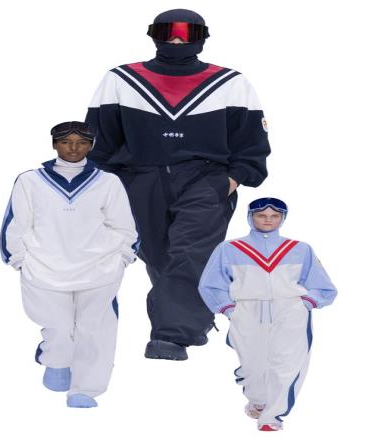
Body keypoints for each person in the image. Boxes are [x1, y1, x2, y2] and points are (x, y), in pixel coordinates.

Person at [85, 9, 271, 361]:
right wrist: (99, 188)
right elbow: (100, 143)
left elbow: (252, 146)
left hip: (206, 179)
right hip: (137, 180)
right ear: (153, 34)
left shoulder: (230, 83)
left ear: (203, 37)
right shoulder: (121, 79)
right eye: (169, 31)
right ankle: (196, 318)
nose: (177, 39)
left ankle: (170, 336)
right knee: (158, 256)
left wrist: (230, 181)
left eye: (188, 33)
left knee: (191, 252)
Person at [0, 121, 138, 408]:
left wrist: (122, 257)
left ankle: (85, 390)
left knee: (94, 330)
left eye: (81, 142)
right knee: (60, 328)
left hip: (99, 269)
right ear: (54, 144)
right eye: (65, 142)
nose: (73, 148)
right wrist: (19, 260)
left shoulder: (108, 182)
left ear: (91, 146)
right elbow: (16, 224)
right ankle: (56, 359)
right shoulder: (30, 181)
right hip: (44, 269)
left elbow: (125, 226)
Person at [198, 197, 337, 431]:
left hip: (290, 310)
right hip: (246, 310)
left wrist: (306, 304)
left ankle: (272, 416)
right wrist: (228, 308)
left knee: (286, 364)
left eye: (275, 216)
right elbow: (210, 284)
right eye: (261, 215)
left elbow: (323, 286)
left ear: (283, 218)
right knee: (252, 365)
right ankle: (258, 399)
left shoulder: (300, 249)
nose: (268, 220)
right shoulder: (229, 249)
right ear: (250, 217)